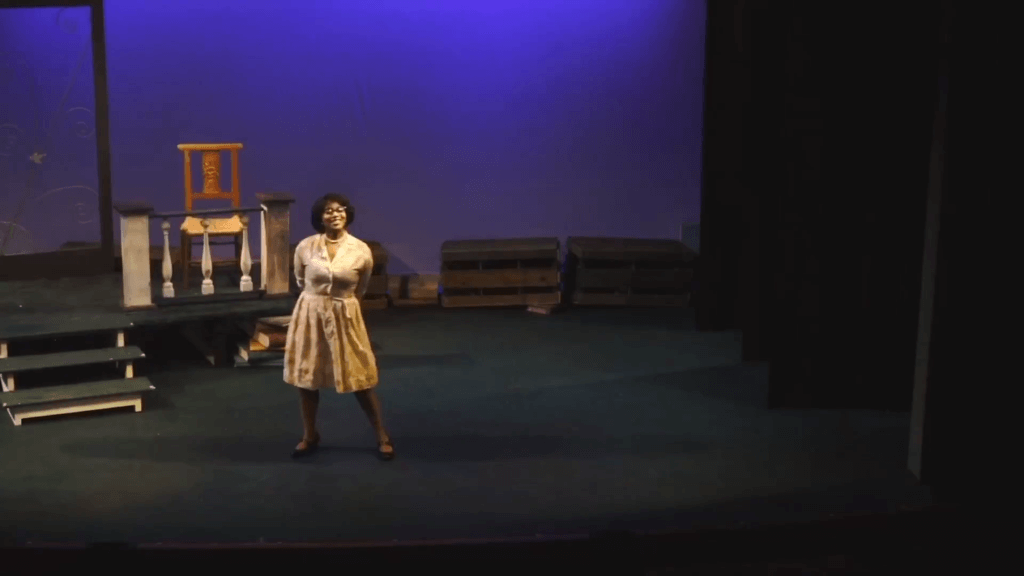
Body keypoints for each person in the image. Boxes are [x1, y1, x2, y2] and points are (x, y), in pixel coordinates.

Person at [283, 193, 393, 460]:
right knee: (307, 379)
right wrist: (318, 302)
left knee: (360, 377)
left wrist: (341, 304)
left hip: (345, 314)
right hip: (311, 314)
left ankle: (382, 435)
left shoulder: (360, 250)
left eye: (340, 209)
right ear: (320, 218)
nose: (335, 214)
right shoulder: (305, 247)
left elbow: (361, 287)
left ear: (348, 214)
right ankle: (310, 434)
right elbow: (301, 279)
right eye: (328, 211)